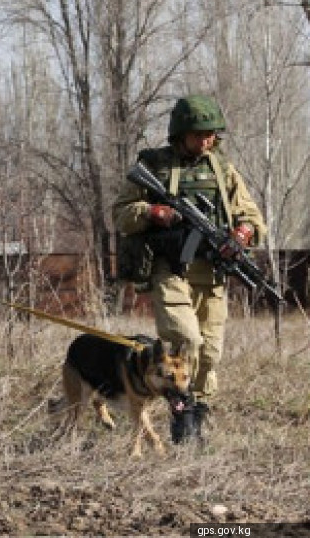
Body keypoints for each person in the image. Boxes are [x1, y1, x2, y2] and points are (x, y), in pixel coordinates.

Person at [112, 95, 266, 442]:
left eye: (211, 134)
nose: (206, 141)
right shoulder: (153, 166)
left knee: (209, 353)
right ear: (180, 133)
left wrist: (241, 234)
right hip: (169, 271)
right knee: (187, 339)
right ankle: (181, 416)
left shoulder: (221, 169)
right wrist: (154, 213)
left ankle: (195, 415)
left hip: (210, 274)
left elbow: (252, 217)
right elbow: (121, 213)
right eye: (199, 134)